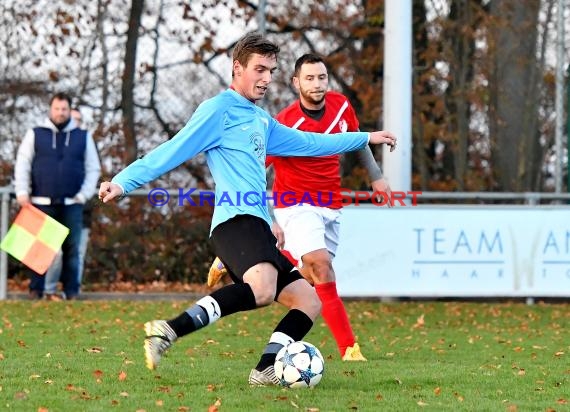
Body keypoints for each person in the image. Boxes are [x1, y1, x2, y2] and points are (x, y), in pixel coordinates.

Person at [98, 33, 396, 386]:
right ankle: (168, 330)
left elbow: (313, 143)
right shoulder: (217, 111)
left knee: (309, 302)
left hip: (257, 224)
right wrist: (123, 181)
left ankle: (264, 368)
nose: (266, 78)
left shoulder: (261, 119)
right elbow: (171, 150)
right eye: (259, 69)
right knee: (263, 288)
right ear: (237, 69)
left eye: (271, 70)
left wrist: (364, 137)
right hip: (234, 220)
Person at [208, 53, 392, 361]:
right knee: (322, 267)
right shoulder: (282, 122)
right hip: (295, 203)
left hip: (330, 204)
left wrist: (376, 177)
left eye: (321, 77)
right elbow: (255, 168)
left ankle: (234, 258)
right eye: (309, 78)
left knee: (309, 273)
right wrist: (262, 215)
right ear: (296, 83)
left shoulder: (341, 106)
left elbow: (356, 142)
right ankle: (349, 349)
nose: (317, 84)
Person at [14, 93, 101, 300]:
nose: (60, 113)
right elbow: (23, 163)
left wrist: (84, 195)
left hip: (72, 204)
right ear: (50, 109)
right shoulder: (35, 134)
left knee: (72, 251)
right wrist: (22, 192)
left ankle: (70, 292)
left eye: (64, 109)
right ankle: (36, 291)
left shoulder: (83, 136)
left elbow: (93, 168)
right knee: (38, 251)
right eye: (57, 109)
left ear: (69, 110)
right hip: (40, 203)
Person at [43, 108, 96, 300]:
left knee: (77, 253)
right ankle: (48, 290)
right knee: (54, 252)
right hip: (58, 210)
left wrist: (81, 198)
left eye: (78, 120)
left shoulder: (86, 146)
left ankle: (71, 291)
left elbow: (93, 175)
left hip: (81, 213)